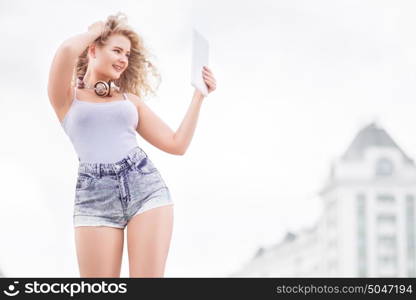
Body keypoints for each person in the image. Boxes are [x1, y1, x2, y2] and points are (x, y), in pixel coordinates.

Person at [47, 12, 216, 278]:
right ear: (92, 50)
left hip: (145, 187)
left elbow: (176, 143)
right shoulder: (67, 98)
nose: (124, 59)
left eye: (127, 54)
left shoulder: (130, 101)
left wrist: (199, 95)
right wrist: (96, 31)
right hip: (95, 199)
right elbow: (68, 49)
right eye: (116, 50)